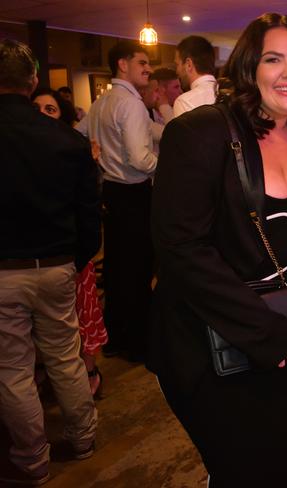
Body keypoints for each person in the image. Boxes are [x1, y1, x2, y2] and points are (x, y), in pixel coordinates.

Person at [148, 13, 287, 487]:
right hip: (212, 340)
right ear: (249, 67)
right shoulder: (201, 132)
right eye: (274, 59)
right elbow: (181, 248)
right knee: (240, 469)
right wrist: (260, 329)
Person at [0, 39, 100, 486]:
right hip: (57, 263)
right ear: (33, 81)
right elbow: (88, 213)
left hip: (3, 270)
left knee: (13, 368)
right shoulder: (64, 138)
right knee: (65, 357)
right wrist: (75, 259)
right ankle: (83, 439)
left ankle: (32, 460)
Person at [79, 40, 157, 361]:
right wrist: (174, 164)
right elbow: (141, 160)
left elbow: (77, 133)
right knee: (138, 269)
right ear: (122, 65)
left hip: (109, 195)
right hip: (134, 194)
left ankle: (115, 337)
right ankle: (137, 343)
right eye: (142, 62)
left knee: (117, 268)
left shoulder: (101, 102)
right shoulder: (131, 104)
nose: (148, 68)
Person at [30, 87, 108, 396]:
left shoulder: (72, 152)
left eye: (50, 110)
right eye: (36, 109)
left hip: (71, 254)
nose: (42, 115)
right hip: (40, 256)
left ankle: (89, 375)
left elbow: (89, 206)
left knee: (78, 323)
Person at [173, 35, 216, 117]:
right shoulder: (231, 95)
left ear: (189, 64)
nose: (177, 71)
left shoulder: (184, 102)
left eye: (177, 65)